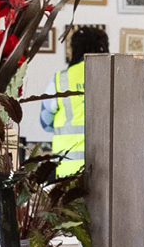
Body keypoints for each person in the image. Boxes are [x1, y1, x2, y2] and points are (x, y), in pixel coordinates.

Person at [38, 25, 108, 175]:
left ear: (75, 49)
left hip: (68, 172)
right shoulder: (114, 78)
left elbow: (46, 122)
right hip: (106, 171)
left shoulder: (60, 80)